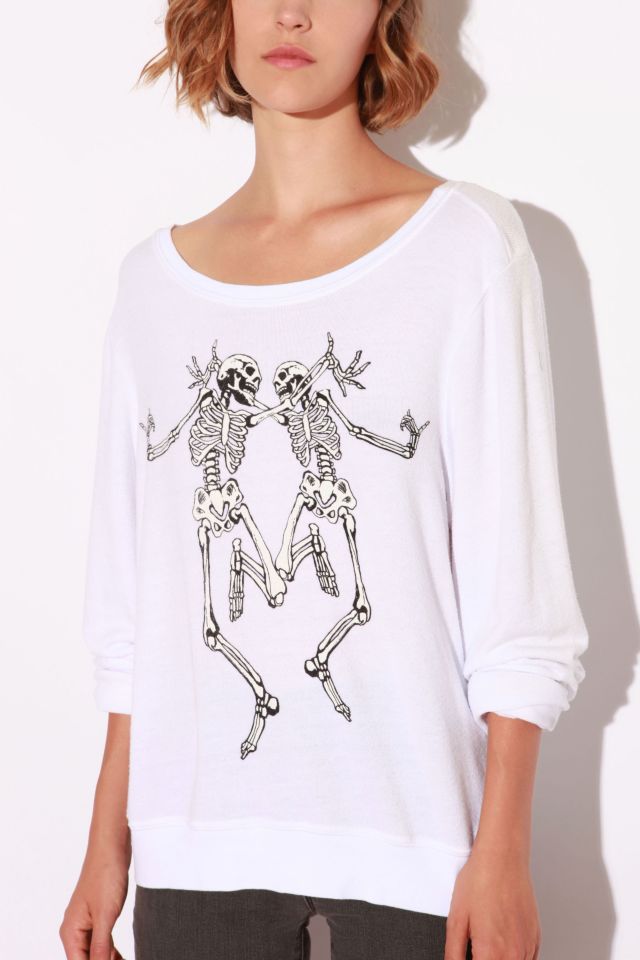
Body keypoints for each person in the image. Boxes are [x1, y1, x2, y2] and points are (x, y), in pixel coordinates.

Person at [59, 2, 589, 959]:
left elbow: (520, 600)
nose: (292, 12)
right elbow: (134, 616)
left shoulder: (465, 246)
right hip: (195, 856)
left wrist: (502, 850)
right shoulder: (152, 288)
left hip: (419, 857)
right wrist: (109, 841)